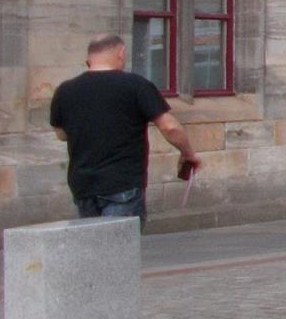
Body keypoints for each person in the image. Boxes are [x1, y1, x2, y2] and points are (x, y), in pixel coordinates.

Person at [48, 33, 200, 223]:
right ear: (121, 53)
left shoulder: (65, 90)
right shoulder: (135, 85)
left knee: (91, 247)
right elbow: (170, 128)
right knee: (119, 246)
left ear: (89, 58)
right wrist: (188, 153)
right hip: (122, 183)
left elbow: (62, 134)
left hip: (83, 185)